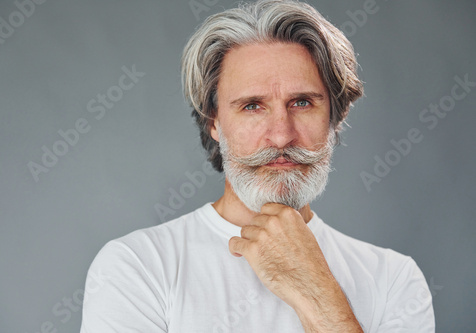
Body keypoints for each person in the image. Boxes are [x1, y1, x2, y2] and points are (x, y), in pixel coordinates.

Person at [80, 0, 435, 332]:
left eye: (301, 102)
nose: (281, 136)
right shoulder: (136, 266)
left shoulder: (394, 279)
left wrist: (317, 292)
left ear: (334, 118)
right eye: (252, 106)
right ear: (213, 122)